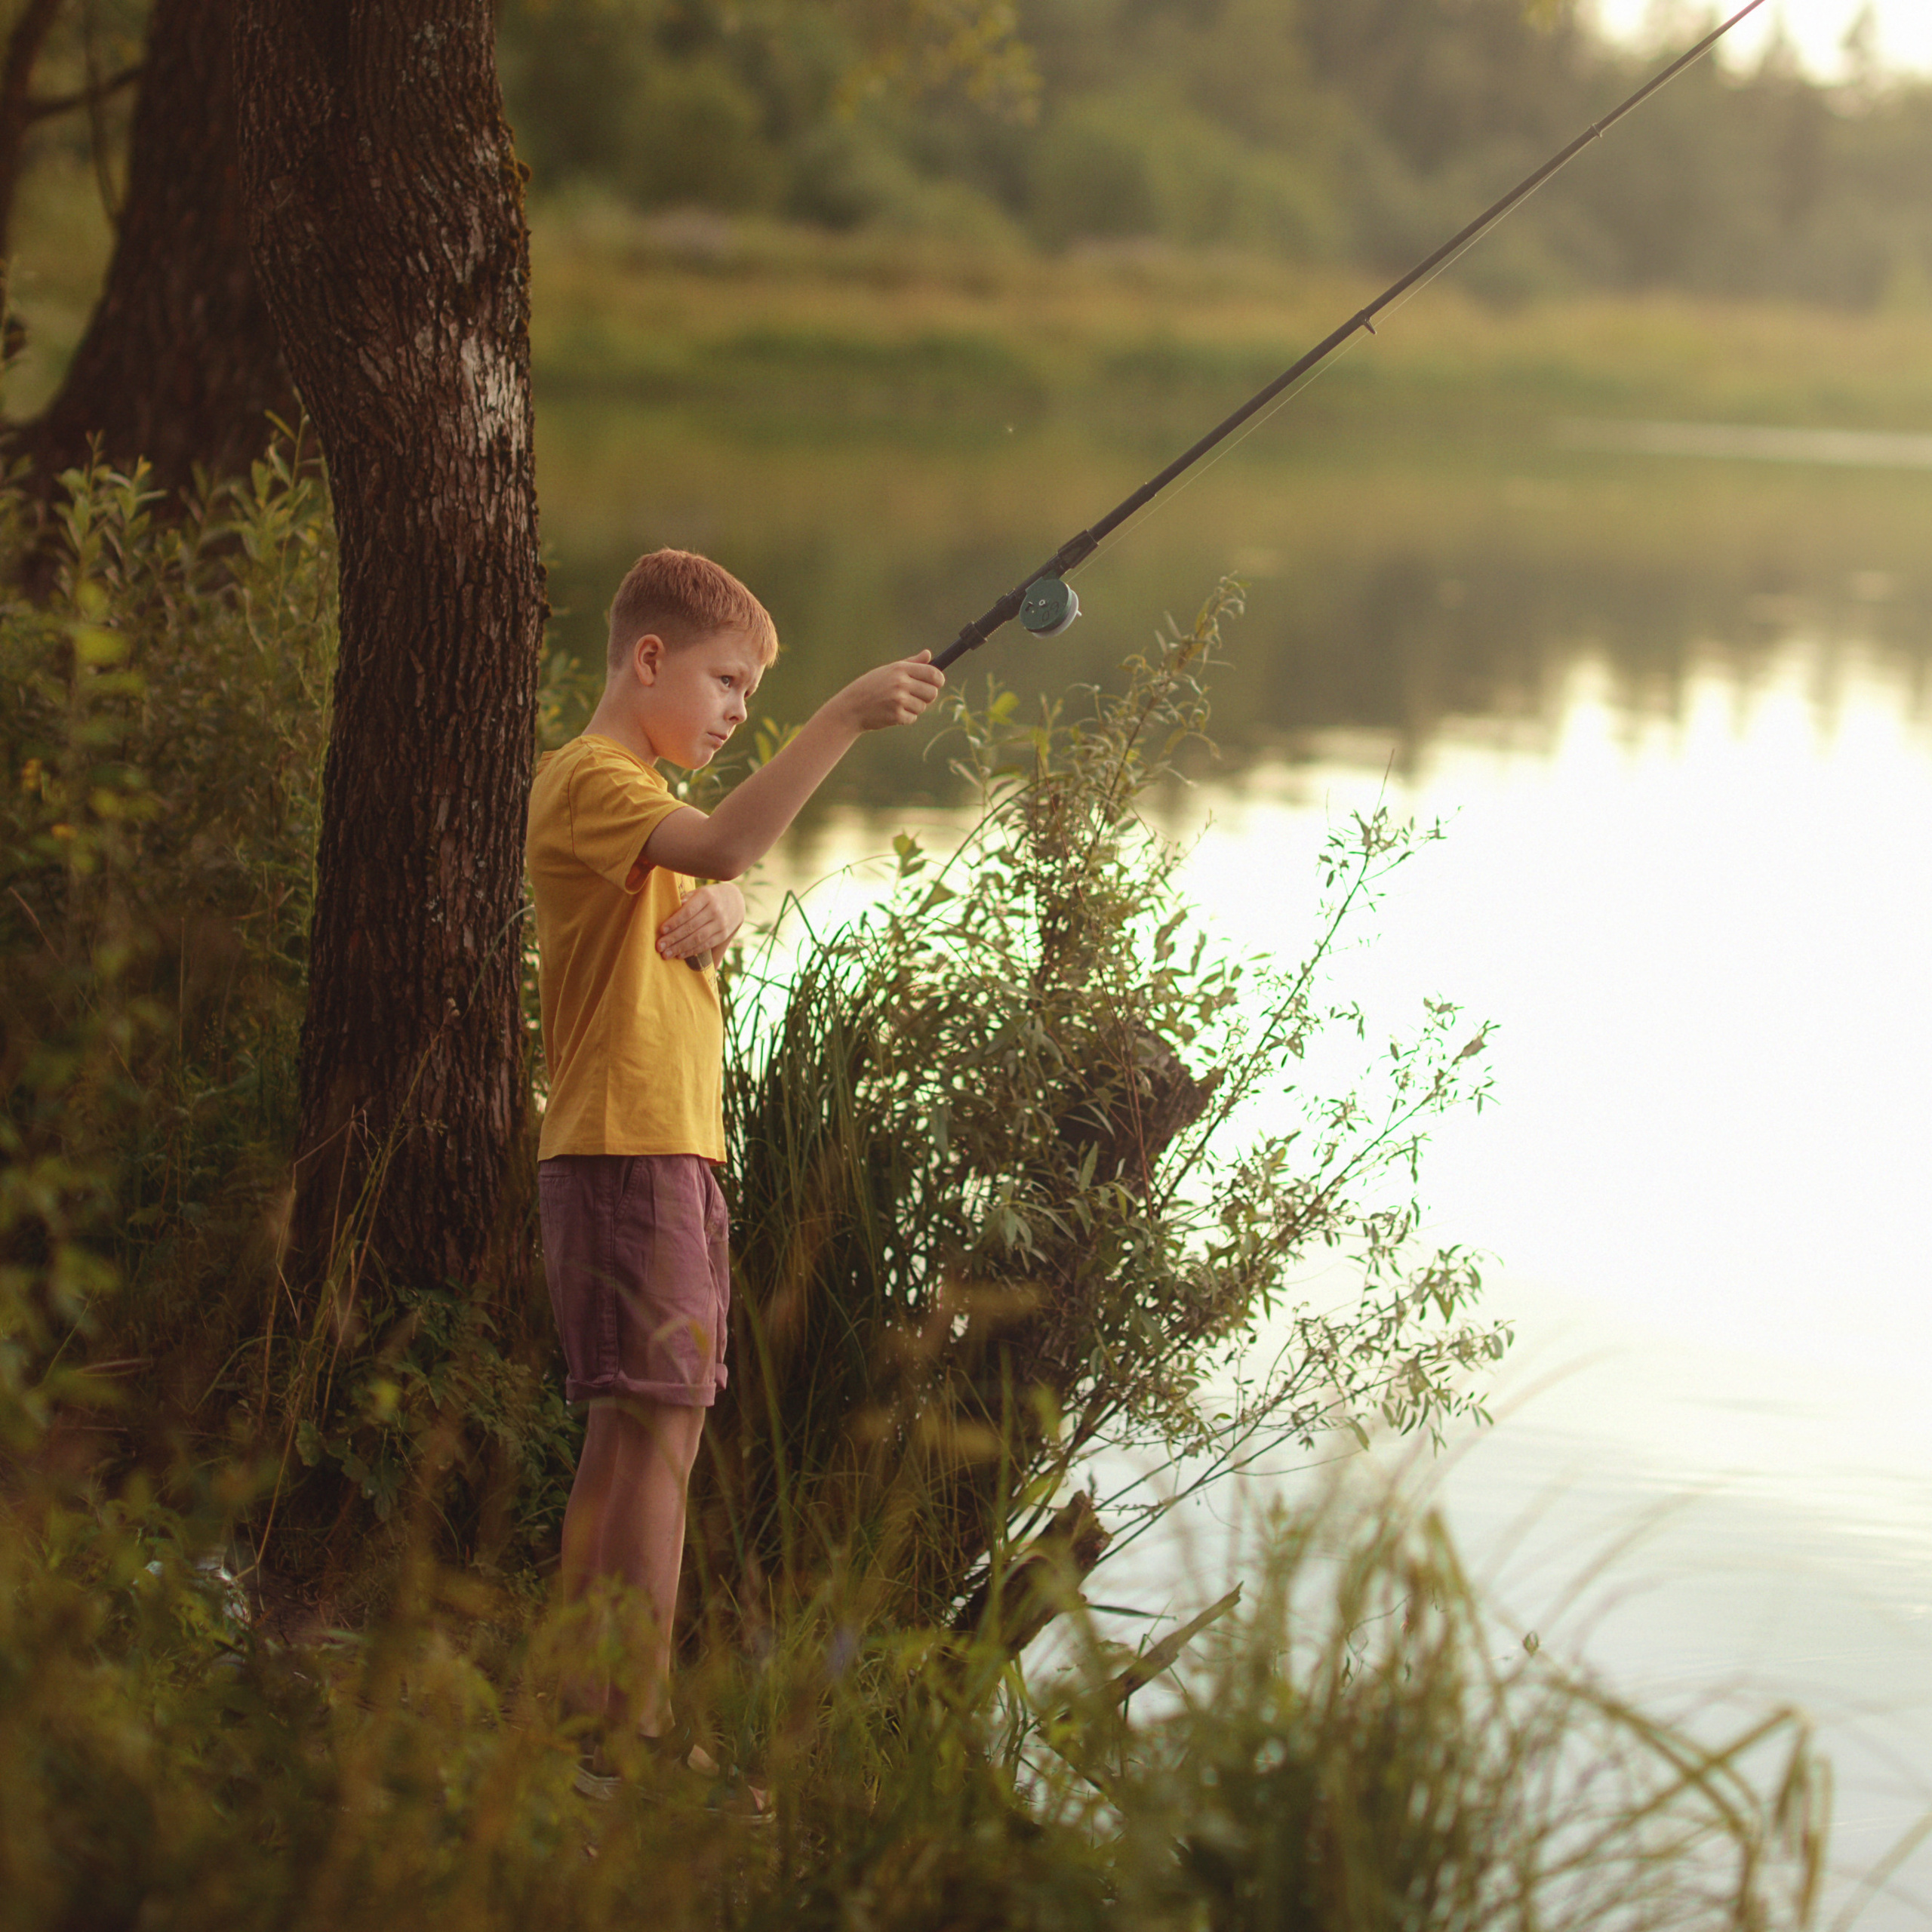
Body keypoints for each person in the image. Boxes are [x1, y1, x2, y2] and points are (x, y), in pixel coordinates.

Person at [525, 549, 943, 1801]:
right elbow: (718, 844)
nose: (735, 713)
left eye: (754, 697)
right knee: (656, 1440)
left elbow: (710, 869)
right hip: (627, 1148)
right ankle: (632, 1733)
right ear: (649, 659)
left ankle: (583, 1713)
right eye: (726, 683)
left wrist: (739, 904)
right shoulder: (591, 777)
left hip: (666, 1152)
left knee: (641, 1437)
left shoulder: (638, 804)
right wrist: (839, 719)